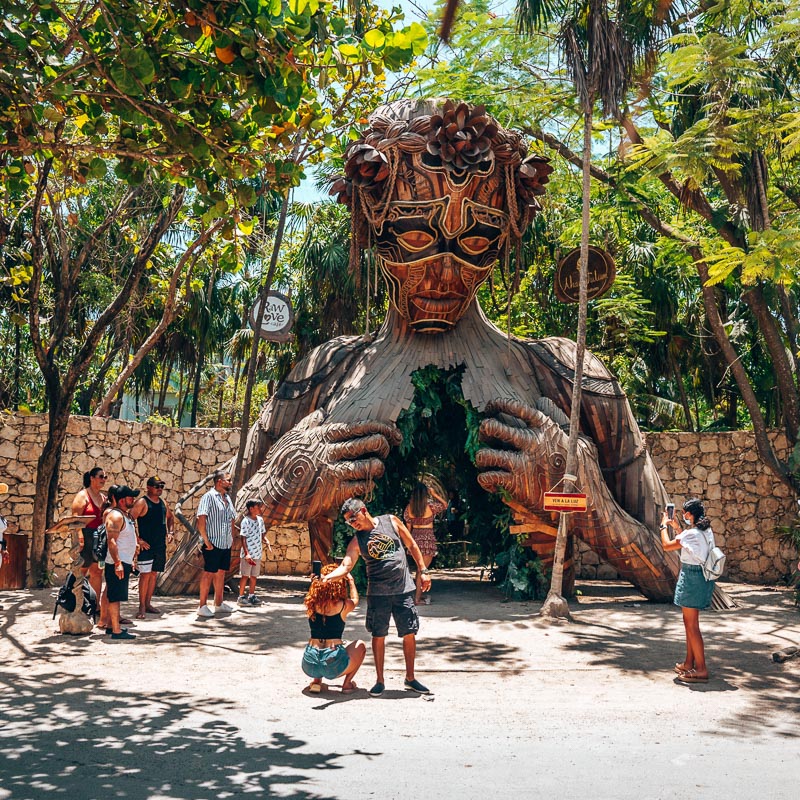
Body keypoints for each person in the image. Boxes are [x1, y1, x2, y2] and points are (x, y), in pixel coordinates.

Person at [323, 497, 432, 698]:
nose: (352, 523)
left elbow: (411, 544)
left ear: (363, 510)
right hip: (378, 594)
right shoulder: (357, 540)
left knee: (409, 632)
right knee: (378, 635)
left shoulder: (391, 521)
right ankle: (380, 680)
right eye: (349, 521)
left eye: (353, 518)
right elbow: (346, 565)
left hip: (403, 589)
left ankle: (410, 678)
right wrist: (328, 577)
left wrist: (423, 570)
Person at [660, 498, 716, 683]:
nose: (683, 515)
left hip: (692, 577)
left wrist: (663, 527)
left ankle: (701, 669)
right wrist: (677, 528)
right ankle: (689, 662)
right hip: (699, 577)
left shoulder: (692, 533)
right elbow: (689, 542)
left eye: (684, 512)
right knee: (689, 623)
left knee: (692, 626)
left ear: (690, 515)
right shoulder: (704, 530)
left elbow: (667, 546)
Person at [302, 563, 366, 694]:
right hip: (332, 666)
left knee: (319, 648)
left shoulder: (312, 603)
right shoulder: (343, 606)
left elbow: (313, 593)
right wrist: (351, 580)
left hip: (309, 664)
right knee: (360, 645)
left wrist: (315, 583)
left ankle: (316, 681)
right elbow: (355, 599)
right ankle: (347, 684)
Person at [130, 476, 175, 619]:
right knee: (145, 575)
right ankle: (141, 606)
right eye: (157, 486)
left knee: (154, 574)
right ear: (148, 487)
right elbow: (129, 520)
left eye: (162, 486)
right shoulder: (142, 502)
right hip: (146, 546)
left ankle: (148, 603)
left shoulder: (163, 503)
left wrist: (171, 532)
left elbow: (171, 517)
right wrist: (138, 540)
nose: (160, 488)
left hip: (159, 545)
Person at [196, 470, 237, 618]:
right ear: (219, 481)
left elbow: (232, 518)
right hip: (213, 542)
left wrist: (231, 537)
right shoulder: (208, 497)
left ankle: (218, 604)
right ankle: (202, 606)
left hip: (225, 543)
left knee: (221, 573)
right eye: (228, 480)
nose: (230, 483)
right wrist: (206, 540)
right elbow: (201, 519)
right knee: (208, 573)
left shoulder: (227, 498)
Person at [103, 484, 140, 640]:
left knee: (116, 594)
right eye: (131, 497)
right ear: (122, 499)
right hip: (116, 562)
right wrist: (117, 562)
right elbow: (112, 541)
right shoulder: (116, 516)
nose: (133, 499)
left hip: (123, 561)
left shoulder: (124, 515)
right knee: (115, 596)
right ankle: (116, 631)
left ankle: (112, 626)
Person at [403, 482, 447, 605]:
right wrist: (434, 494)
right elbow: (444, 505)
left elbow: (408, 528)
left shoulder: (408, 508)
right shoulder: (430, 506)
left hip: (415, 538)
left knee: (419, 569)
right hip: (427, 538)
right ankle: (417, 599)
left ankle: (416, 597)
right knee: (422, 570)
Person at [70, 466, 107, 606]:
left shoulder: (104, 497)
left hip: (99, 538)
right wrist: (80, 537)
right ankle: (74, 603)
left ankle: (95, 604)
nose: (103, 479)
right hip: (85, 536)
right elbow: (75, 517)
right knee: (81, 571)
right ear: (92, 478)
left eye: (105, 477)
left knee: (97, 571)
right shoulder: (82, 495)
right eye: (101, 476)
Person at [237, 498, 273, 606]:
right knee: (245, 575)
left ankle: (252, 595)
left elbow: (262, 534)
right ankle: (241, 597)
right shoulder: (245, 521)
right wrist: (247, 554)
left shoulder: (260, 520)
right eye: (257, 507)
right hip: (248, 554)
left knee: (254, 576)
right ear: (251, 509)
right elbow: (243, 538)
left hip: (257, 553)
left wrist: (266, 541)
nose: (260, 509)